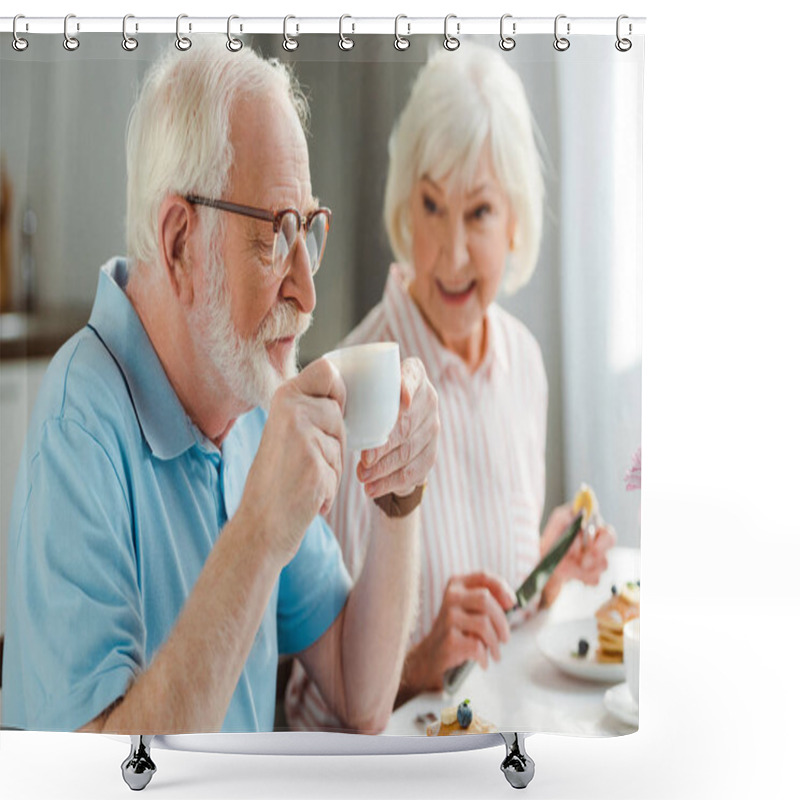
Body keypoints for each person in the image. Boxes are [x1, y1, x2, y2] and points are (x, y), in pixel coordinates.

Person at [1, 40, 440, 735]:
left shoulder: (250, 396)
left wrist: (400, 495)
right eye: (277, 234)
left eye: (309, 231)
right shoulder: (78, 426)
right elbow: (96, 778)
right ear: (179, 243)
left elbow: (363, 694)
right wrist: (259, 533)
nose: (307, 290)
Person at [285, 43, 614, 729]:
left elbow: (493, 629)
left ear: (516, 218)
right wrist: (416, 662)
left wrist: (545, 577)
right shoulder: (352, 389)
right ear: (405, 203)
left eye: (480, 213)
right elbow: (305, 706)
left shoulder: (523, 363)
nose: (453, 252)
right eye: (432, 205)